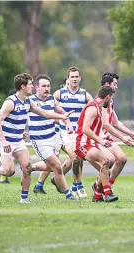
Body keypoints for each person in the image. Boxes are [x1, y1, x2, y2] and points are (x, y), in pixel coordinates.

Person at [0, 73, 72, 203]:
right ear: (22, 87)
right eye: (30, 84)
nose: (32, 86)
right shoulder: (10, 103)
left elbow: (44, 113)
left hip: (18, 141)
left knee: (27, 167)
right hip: (5, 141)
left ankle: (24, 198)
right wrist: (4, 142)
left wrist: (62, 117)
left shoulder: (28, 102)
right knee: (9, 171)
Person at [26, 74, 76, 200]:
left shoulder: (51, 99)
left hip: (54, 137)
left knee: (69, 158)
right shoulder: (30, 101)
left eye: (48, 86)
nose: (47, 88)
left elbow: (62, 113)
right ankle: (69, 194)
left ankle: (30, 168)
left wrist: (69, 125)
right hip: (40, 141)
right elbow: (43, 114)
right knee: (57, 166)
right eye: (43, 86)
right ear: (37, 87)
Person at [91, 72, 134, 190]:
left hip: (106, 138)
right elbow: (106, 125)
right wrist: (122, 138)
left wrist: (130, 133)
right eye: (115, 84)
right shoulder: (101, 101)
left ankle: (104, 185)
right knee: (109, 161)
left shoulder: (110, 101)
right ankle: (102, 188)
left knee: (122, 159)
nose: (117, 87)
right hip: (97, 139)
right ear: (107, 84)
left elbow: (115, 123)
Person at [52, 66, 93, 198]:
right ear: (68, 79)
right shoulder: (59, 93)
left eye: (76, 77)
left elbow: (94, 110)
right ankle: (79, 186)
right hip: (65, 133)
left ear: (80, 78)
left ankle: (70, 184)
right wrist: (57, 123)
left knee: (79, 157)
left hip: (80, 133)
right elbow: (49, 109)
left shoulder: (85, 95)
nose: (74, 79)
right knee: (76, 156)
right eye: (72, 77)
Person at [74, 86, 118, 202]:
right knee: (105, 162)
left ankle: (98, 195)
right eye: (111, 98)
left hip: (91, 143)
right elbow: (85, 129)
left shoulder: (98, 108)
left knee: (111, 160)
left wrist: (103, 139)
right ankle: (107, 193)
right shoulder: (92, 108)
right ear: (107, 97)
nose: (111, 102)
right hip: (82, 144)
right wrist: (100, 140)